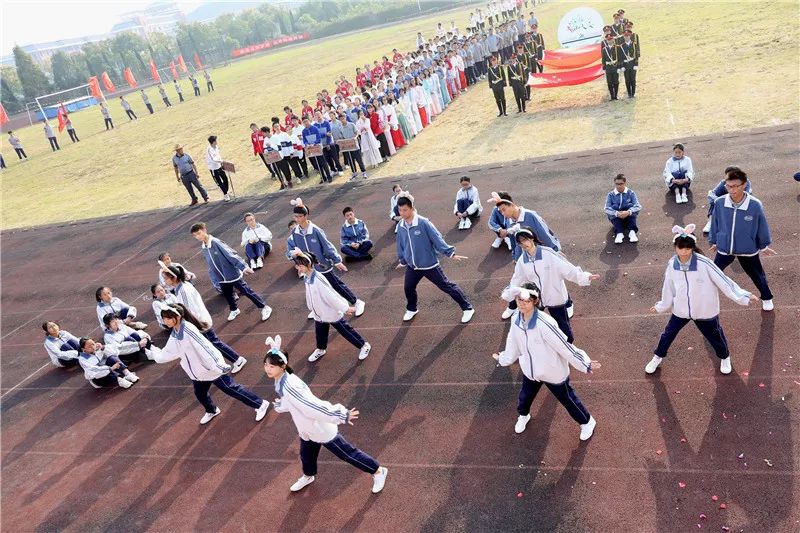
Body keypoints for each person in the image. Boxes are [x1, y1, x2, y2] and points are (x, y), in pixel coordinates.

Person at [263, 336, 388, 493]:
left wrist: (341, 414)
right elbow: (295, 403)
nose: (267, 368)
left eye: (272, 366)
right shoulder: (282, 380)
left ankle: (378, 471)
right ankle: (308, 476)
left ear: (282, 366)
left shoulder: (290, 386)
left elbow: (313, 406)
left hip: (319, 429)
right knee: (306, 456)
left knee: (348, 453)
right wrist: (283, 405)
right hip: (307, 429)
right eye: (266, 364)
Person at [647, 224, 757, 375]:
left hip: (704, 310)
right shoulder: (672, 265)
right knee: (668, 334)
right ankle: (657, 356)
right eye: (680, 248)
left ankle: (725, 357)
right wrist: (662, 305)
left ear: (692, 248)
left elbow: (723, 281)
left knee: (715, 336)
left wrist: (742, 296)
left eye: (687, 248)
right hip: (681, 309)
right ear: (675, 248)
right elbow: (668, 288)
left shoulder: (704, 263)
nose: (684, 252)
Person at [493, 283, 598, 439]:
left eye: (526, 300)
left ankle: (587, 422)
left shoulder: (545, 323)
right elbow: (512, 343)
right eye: (519, 299)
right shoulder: (516, 319)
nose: (522, 303)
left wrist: (584, 363)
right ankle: (524, 415)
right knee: (524, 398)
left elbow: (564, 347)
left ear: (535, 301)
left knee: (568, 399)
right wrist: (504, 359)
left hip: (552, 371)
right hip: (530, 371)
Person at [152, 303, 270, 425]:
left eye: (168, 317)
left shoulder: (188, 329)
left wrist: (218, 365)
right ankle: (212, 410)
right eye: (164, 318)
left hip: (210, 368)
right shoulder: (175, 332)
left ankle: (260, 404)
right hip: (199, 373)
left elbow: (206, 347)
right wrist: (153, 353)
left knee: (231, 388)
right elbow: (168, 351)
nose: (165, 321)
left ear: (178, 316)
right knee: (200, 393)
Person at [500, 228, 600, 342]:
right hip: (537, 298)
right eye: (520, 242)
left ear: (532, 238)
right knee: (532, 324)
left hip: (555, 296)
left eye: (525, 239)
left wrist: (584, 277)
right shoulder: (522, 261)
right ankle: (537, 346)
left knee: (564, 329)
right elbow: (517, 279)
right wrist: (509, 293)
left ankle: (568, 348)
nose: (523, 244)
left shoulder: (548, 254)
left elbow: (568, 269)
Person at [395, 192, 474, 323]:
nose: (402, 213)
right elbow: (401, 244)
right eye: (400, 210)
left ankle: (467, 308)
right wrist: (403, 260)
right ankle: (412, 308)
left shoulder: (423, 223)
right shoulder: (401, 225)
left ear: (412, 208)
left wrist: (450, 253)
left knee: (446, 286)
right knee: (408, 287)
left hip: (428, 264)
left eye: (405, 210)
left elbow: (437, 238)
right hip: (413, 266)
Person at [708, 167, 776, 311]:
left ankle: (767, 297)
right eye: (728, 186)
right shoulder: (720, 203)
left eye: (735, 186)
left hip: (747, 249)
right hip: (725, 247)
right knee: (713, 273)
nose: (731, 190)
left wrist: (764, 246)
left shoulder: (754, 205)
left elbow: (762, 226)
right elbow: (715, 223)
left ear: (744, 184)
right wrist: (714, 241)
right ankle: (705, 298)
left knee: (757, 275)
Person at [161, 265, 248, 372]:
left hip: (199, 323)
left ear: (174, 278)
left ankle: (237, 360)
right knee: (212, 343)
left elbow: (187, 311)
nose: (164, 281)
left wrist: (192, 326)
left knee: (213, 343)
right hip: (200, 320)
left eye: (166, 278)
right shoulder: (184, 286)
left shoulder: (183, 291)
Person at [290, 251, 372, 362]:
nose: (297, 268)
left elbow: (331, 296)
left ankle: (364, 345)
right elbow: (309, 294)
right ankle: (321, 349)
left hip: (329, 312)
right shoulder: (307, 277)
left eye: (299, 265)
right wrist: (311, 307)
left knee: (345, 330)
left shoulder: (318, 280)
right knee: (320, 333)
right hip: (319, 313)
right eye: (297, 265)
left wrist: (345, 308)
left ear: (308, 265)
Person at [289, 198, 366, 317]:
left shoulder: (316, 231)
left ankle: (357, 302)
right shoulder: (295, 232)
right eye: (295, 216)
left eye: (299, 216)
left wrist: (336, 261)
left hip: (323, 265)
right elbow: (297, 249)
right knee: (315, 289)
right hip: (309, 268)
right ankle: (318, 309)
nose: (297, 219)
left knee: (336, 285)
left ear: (306, 216)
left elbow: (327, 246)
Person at [191, 221, 272, 322]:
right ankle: (234, 309)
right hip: (220, 277)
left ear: (204, 230)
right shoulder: (204, 246)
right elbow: (211, 263)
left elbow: (231, 254)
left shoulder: (216, 242)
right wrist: (214, 276)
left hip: (230, 274)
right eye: (195, 236)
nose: (198, 237)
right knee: (228, 294)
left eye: (199, 233)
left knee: (246, 291)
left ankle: (264, 307)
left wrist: (243, 267)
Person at [488, 191, 561, 261]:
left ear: (512, 205)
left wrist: (556, 251)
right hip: (527, 259)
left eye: (504, 209)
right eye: (500, 211)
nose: (503, 214)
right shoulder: (509, 221)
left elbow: (545, 235)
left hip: (543, 254)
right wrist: (515, 258)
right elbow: (514, 242)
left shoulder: (530, 215)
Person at [703, 166, 752, 233]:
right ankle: (711, 222)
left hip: (740, 203)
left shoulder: (745, 182)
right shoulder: (723, 183)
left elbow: (747, 194)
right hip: (727, 203)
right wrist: (720, 201)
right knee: (715, 202)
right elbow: (712, 193)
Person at [604, 173, 641, 244]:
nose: (619, 186)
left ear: (625, 183)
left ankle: (632, 232)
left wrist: (628, 212)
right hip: (617, 218)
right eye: (617, 184)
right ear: (614, 183)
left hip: (628, 217)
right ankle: (619, 233)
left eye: (621, 183)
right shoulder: (611, 195)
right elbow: (606, 208)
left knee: (630, 206)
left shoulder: (630, 193)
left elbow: (638, 206)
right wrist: (617, 213)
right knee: (614, 207)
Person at [332, 113, 367, 180]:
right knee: (351, 160)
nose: (342, 120)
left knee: (359, 159)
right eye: (340, 119)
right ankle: (354, 173)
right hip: (347, 147)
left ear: (345, 118)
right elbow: (341, 137)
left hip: (355, 145)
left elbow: (357, 132)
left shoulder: (351, 124)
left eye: (343, 118)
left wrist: (355, 137)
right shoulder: (340, 128)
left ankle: (363, 172)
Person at [301, 117, 332, 184]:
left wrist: (314, 143)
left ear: (309, 121)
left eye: (306, 121)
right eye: (304, 122)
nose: (305, 123)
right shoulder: (303, 131)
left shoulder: (315, 128)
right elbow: (304, 140)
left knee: (323, 163)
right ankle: (323, 177)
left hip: (317, 147)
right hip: (311, 149)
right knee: (317, 164)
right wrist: (307, 144)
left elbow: (318, 138)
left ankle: (329, 176)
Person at [205, 135, 231, 202]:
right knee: (219, 182)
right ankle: (225, 194)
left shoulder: (216, 147)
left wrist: (222, 162)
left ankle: (226, 191)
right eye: (216, 140)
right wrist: (221, 161)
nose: (217, 142)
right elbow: (214, 159)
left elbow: (218, 156)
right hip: (213, 169)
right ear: (213, 142)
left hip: (219, 166)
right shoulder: (209, 149)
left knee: (225, 178)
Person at [619, 29, 639, 98]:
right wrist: (622, 66)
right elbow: (620, 57)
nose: (626, 37)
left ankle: (633, 93)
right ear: (623, 37)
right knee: (627, 80)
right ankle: (629, 93)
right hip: (625, 65)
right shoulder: (621, 46)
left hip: (632, 64)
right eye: (625, 36)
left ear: (630, 36)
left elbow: (636, 55)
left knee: (633, 79)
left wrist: (636, 64)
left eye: (627, 36)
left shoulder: (634, 44)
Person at [601, 33, 621, 100]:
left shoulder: (617, 47)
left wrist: (619, 67)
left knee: (616, 81)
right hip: (608, 67)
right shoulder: (604, 49)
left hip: (615, 66)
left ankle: (616, 95)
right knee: (609, 82)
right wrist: (604, 68)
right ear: (606, 41)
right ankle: (612, 96)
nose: (609, 41)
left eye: (610, 39)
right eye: (608, 40)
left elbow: (619, 58)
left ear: (613, 40)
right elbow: (603, 59)